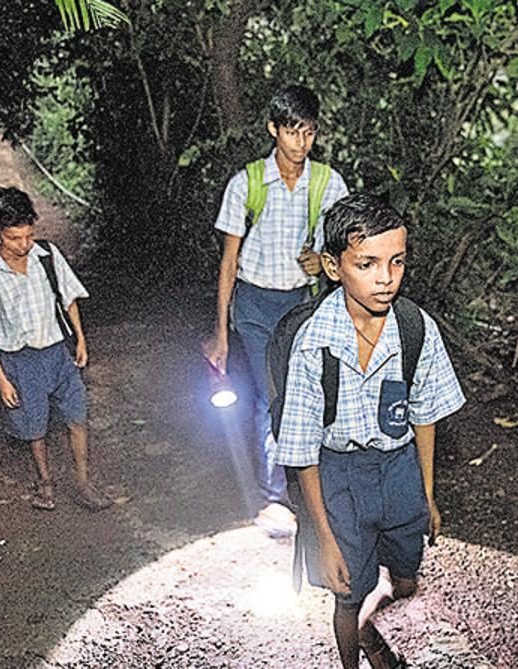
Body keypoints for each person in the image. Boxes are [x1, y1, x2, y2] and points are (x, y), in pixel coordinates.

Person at [273, 194, 466, 668]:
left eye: (396, 261)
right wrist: (325, 537)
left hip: (398, 465)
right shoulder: (313, 343)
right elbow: (302, 453)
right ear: (334, 267)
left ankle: (370, 629)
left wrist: (427, 493)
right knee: (347, 592)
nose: (386, 278)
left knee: (406, 579)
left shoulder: (414, 328)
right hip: (339, 476)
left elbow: (425, 415)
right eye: (368, 263)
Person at [204, 84, 348, 536]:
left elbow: (341, 252)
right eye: (292, 132)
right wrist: (222, 333)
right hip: (253, 306)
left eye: (308, 133)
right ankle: (276, 498)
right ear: (273, 130)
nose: (301, 143)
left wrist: (320, 260)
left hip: (301, 305)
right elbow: (229, 261)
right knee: (272, 396)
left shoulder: (328, 184)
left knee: (307, 394)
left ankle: (310, 484)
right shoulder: (246, 184)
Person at [0, 186, 109, 512]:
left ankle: (83, 482)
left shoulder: (47, 256)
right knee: (34, 426)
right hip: (20, 361)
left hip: (59, 351)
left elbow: (68, 298)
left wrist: (80, 338)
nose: (24, 245)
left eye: (29, 235)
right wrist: (1, 378)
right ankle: (45, 483)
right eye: (14, 238)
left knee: (77, 416)